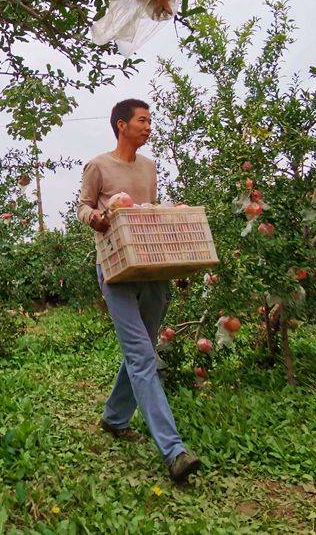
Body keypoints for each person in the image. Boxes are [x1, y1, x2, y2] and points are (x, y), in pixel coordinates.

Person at [76, 98, 201, 484]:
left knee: (140, 351)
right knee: (143, 358)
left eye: (150, 121)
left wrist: (170, 213)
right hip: (114, 270)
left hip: (150, 266)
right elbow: (82, 207)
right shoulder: (98, 166)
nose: (148, 127)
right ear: (121, 126)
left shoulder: (149, 167)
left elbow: (146, 209)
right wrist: (96, 217)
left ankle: (115, 418)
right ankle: (174, 450)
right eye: (142, 121)